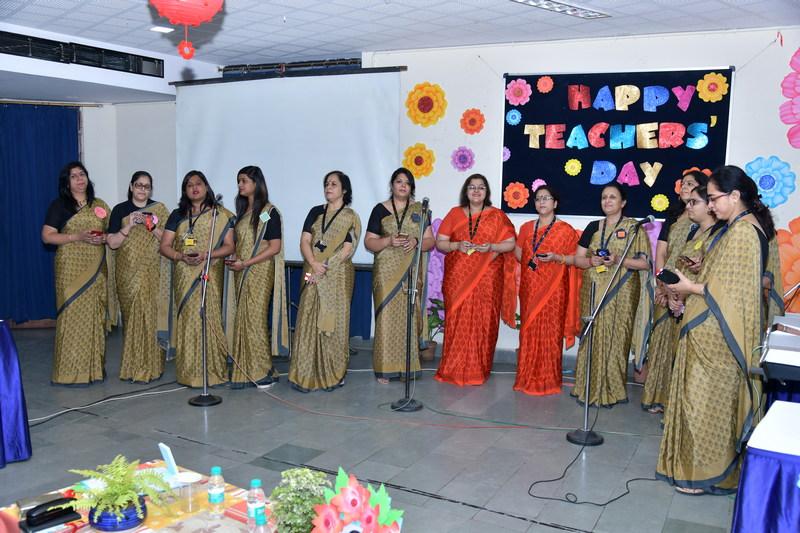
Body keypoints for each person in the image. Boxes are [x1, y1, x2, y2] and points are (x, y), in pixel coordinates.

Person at [657, 165, 776, 494]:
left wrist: (690, 287)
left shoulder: (743, 231)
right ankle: (701, 470)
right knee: (705, 402)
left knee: (706, 404)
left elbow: (731, 291)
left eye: (713, 198)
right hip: (710, 327)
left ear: (735, 196)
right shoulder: (736, 228)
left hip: (718, 335)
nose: (710, 205)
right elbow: (726, 276)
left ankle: (706, 474)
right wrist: (702, 269)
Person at [571, 182, 652, 406]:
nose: (607, 201)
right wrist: (591, 261)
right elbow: (577, 259)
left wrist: (619, 260)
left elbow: (645, 264)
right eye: (604, 197)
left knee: (618, 339)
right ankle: (586, 387)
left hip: (622, 292)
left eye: (612, 197)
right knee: (592, 336)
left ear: (623, 202)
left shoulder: (634, 229)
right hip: (594, 290)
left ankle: (612, 391)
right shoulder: (593, 227)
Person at [434, 174, 515, 386]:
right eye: (472, 187)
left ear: (486, 192)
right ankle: (452, 369)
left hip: (488, 278)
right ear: (466, 191)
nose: (476, 191)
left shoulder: (497, 216)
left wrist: (492, 247)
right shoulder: (454, 213)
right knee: (457, 321)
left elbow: (510, 243)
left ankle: (478, 370)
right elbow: (440, 242)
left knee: (484, 321)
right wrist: (457, 246)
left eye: (481, 187)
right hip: (458, 277)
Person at [159, 171, 235, 388]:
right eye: (189, 185)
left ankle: (213, 372)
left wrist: (207, 254)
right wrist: (180, 256)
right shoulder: (177, 215)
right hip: (184, 274)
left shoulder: (219, 215)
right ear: (185, 190)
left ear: (206, 187)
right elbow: (164, 246)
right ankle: (189, 373)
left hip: (209, 271)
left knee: (209, 318)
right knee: (188, 320)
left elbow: (230, 246)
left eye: (198, 183)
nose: (194, 188)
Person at [641, 170, 708, 413]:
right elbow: (660, 253)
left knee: (680, 344)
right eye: (683, 183)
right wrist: (661, 283)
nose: (685, 187)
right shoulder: (673, 217)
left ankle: (675, 401)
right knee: (661, 341)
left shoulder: (706, 223)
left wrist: (678, 290)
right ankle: (657, 396)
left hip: (689, 289)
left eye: (691, 184)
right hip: (665, 286)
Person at [289, 171, 361, 392]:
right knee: (307, 320)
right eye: (326, 184)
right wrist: (314, 263)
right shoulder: (315, 212)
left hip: (337, 275)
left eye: (333, 184)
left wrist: (325, 266)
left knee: (334, 323)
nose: (328, 187)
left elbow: (348, 249)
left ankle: (333, 374)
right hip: (311, 271)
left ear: (344, 190)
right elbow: (305, 241)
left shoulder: (350, 216)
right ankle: (303, 375)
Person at [506, 185, 580, 396]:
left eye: (546, 198)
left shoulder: (566, 231)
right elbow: (519, 254)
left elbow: (574, 259)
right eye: (538, 198)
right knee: (528, 331)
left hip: (555, 290)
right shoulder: (527, 228)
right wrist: (535, 267)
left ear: (555, 203)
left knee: (550, 333)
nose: (541, 202)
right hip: (530, 289)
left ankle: (548, 380)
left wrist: (555, 259)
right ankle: (526, 378)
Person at [41, 162, 111, 385]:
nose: (80, 179)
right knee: (71, 317)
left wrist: (103, 238)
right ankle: (68, 372)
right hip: (71, 269)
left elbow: (110, 235)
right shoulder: (60, 205)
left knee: (94, 317)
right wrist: (77, 237)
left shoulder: (99, 205)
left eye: (82, 174)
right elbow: (47, 236)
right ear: (67, 183)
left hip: (96, 269)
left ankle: (93, 370)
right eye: (74, 176)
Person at [364, 168, 435, 384]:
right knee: (386, 319)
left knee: (408, 319)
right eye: (399, 181)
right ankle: (384, 370)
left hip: (410, 272)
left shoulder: (420, 210)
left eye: (407, 182)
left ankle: (407, 368)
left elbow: (430, 241)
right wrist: (388, 241)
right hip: (386, 273)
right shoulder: (380, 210)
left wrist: (416, 241)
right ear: (392, 185)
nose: (403, 185)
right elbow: (369, 242)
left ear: (412, 187)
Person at [226, 166, 289, 389]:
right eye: (238, 181)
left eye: (244, 181)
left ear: (256, 183)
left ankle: (261, 371)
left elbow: (274, 246)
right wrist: (235, 258)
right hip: (241, 270)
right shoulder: (243, 212)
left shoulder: (267, 212)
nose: (240, 185)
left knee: (255, 319)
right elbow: (242, 243)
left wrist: (247, 263)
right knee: (243, 319)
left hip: (259, 270)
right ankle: (246, 370)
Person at [106, 171, 169, 383]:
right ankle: (132, 367)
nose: (142, 189)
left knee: (151, 318)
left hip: (152, 273)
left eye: (147, 186)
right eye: (139, 185)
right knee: (131, 319)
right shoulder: (120, 210)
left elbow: (169, 241)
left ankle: (153, 367)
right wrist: (130, 225)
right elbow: (112, 243)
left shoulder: (159, 209)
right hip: (127, 274)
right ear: (131, 186)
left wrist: (152, 226)